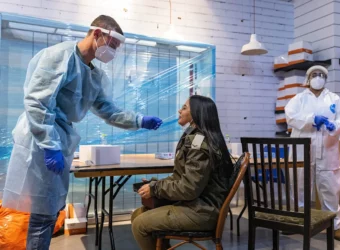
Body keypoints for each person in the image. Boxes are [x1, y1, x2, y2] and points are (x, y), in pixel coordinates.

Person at [2, 15, 162, 250]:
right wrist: (49, 144)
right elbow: (37, 102)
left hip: (59, 140)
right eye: (112, 45)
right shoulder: (60, 56)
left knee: (49, 210)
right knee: (43, 213)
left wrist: (140, 120)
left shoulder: (94, 75)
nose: (113, 53)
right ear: (96, 34)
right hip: (40, 140)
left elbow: (108, 110)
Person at [131, 95, 233, 250]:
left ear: (196, 113)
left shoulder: (200, 144)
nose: (179, 110)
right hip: (196, 205)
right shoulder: (196, 137)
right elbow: (181, 178)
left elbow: (189, 188)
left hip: (201, 212)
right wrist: (155, 185)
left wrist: (155, 189)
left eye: (185, 108)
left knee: (140, 224)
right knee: (138, 214)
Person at [285, 65, 340, 241]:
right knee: (299, 187)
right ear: (308, 78)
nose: (318, 77)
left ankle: (334, 225)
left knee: (330, 188)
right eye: (315, 74)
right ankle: (297, 221)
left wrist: (334, 126)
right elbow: (290, 117)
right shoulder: (298, 99)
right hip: (302, 151)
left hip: (327, 150)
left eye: (321, 75)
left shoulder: (334, 99)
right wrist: (311, 119)